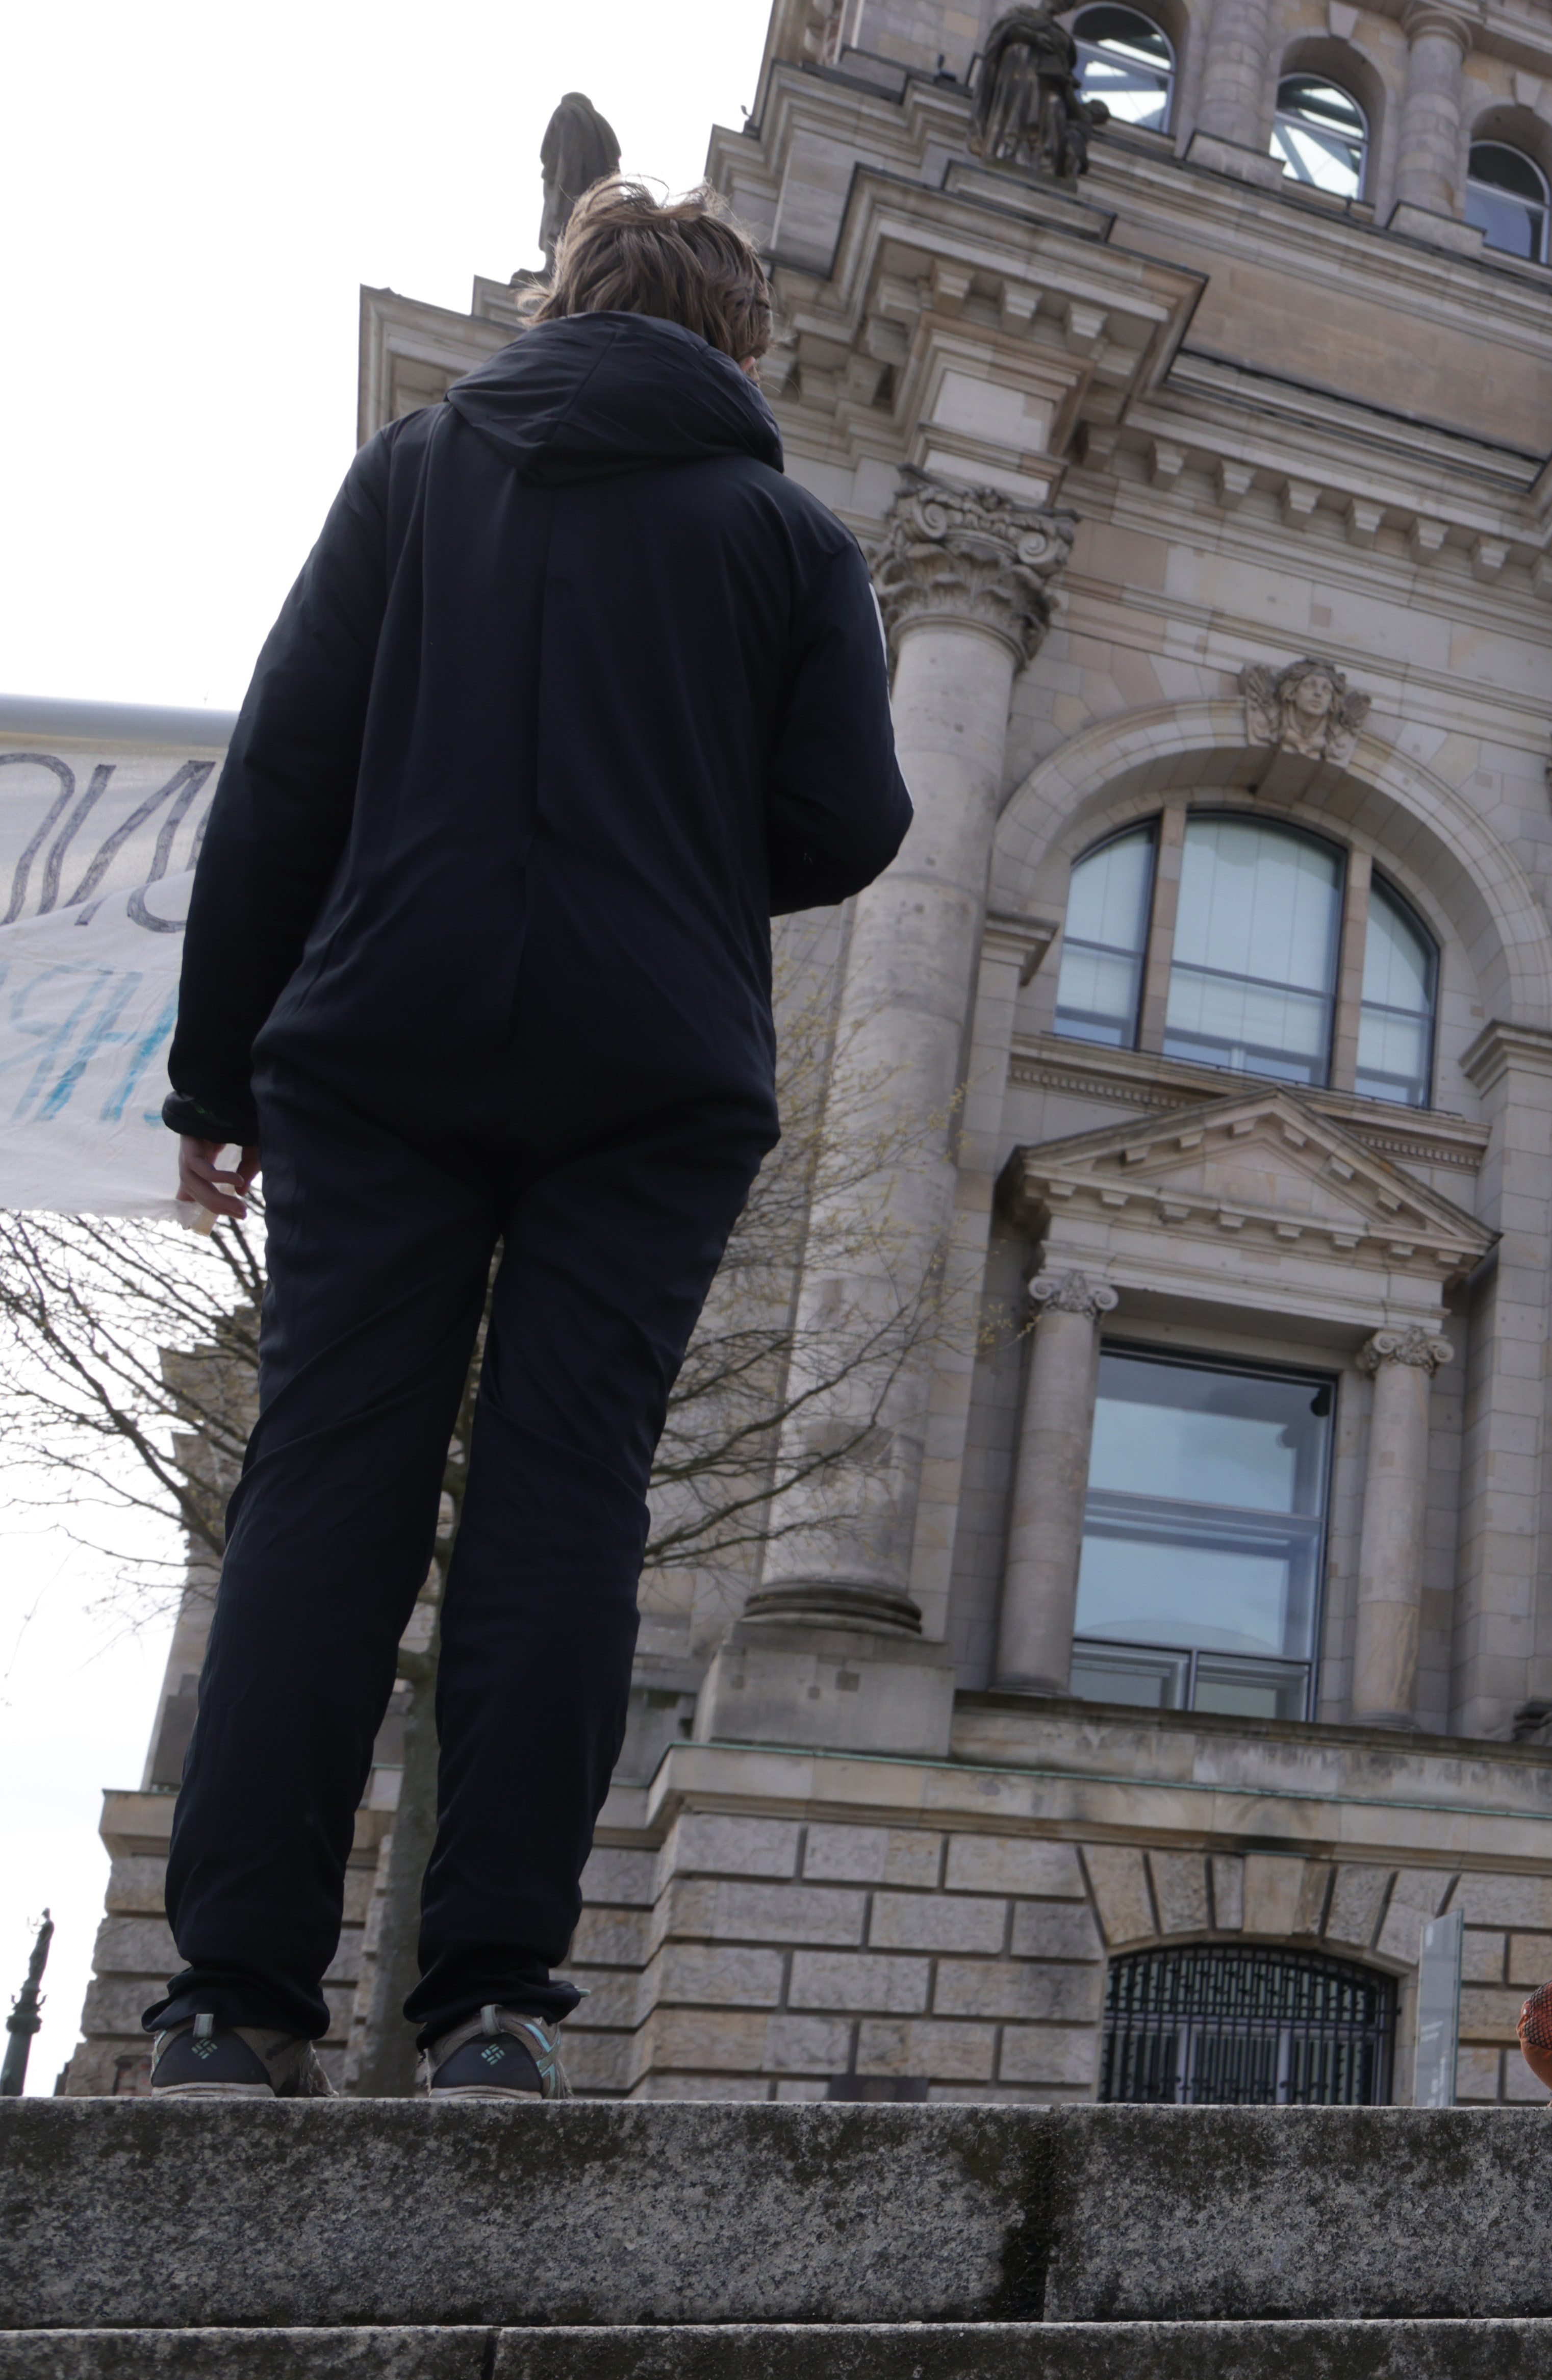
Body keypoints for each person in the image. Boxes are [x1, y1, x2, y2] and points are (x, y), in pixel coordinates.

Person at [141, 182, 910, 2100]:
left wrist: (214, 1080)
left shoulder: (417, 474)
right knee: (569, 1494)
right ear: (741, 339)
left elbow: (282, 774)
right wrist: (682, 846)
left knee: (325, 1480)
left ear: (564, 300)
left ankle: (230, 2000)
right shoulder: (790, 534)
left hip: (380, 1033)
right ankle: (490, 2001)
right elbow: (853, 822)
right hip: (651, 1056)